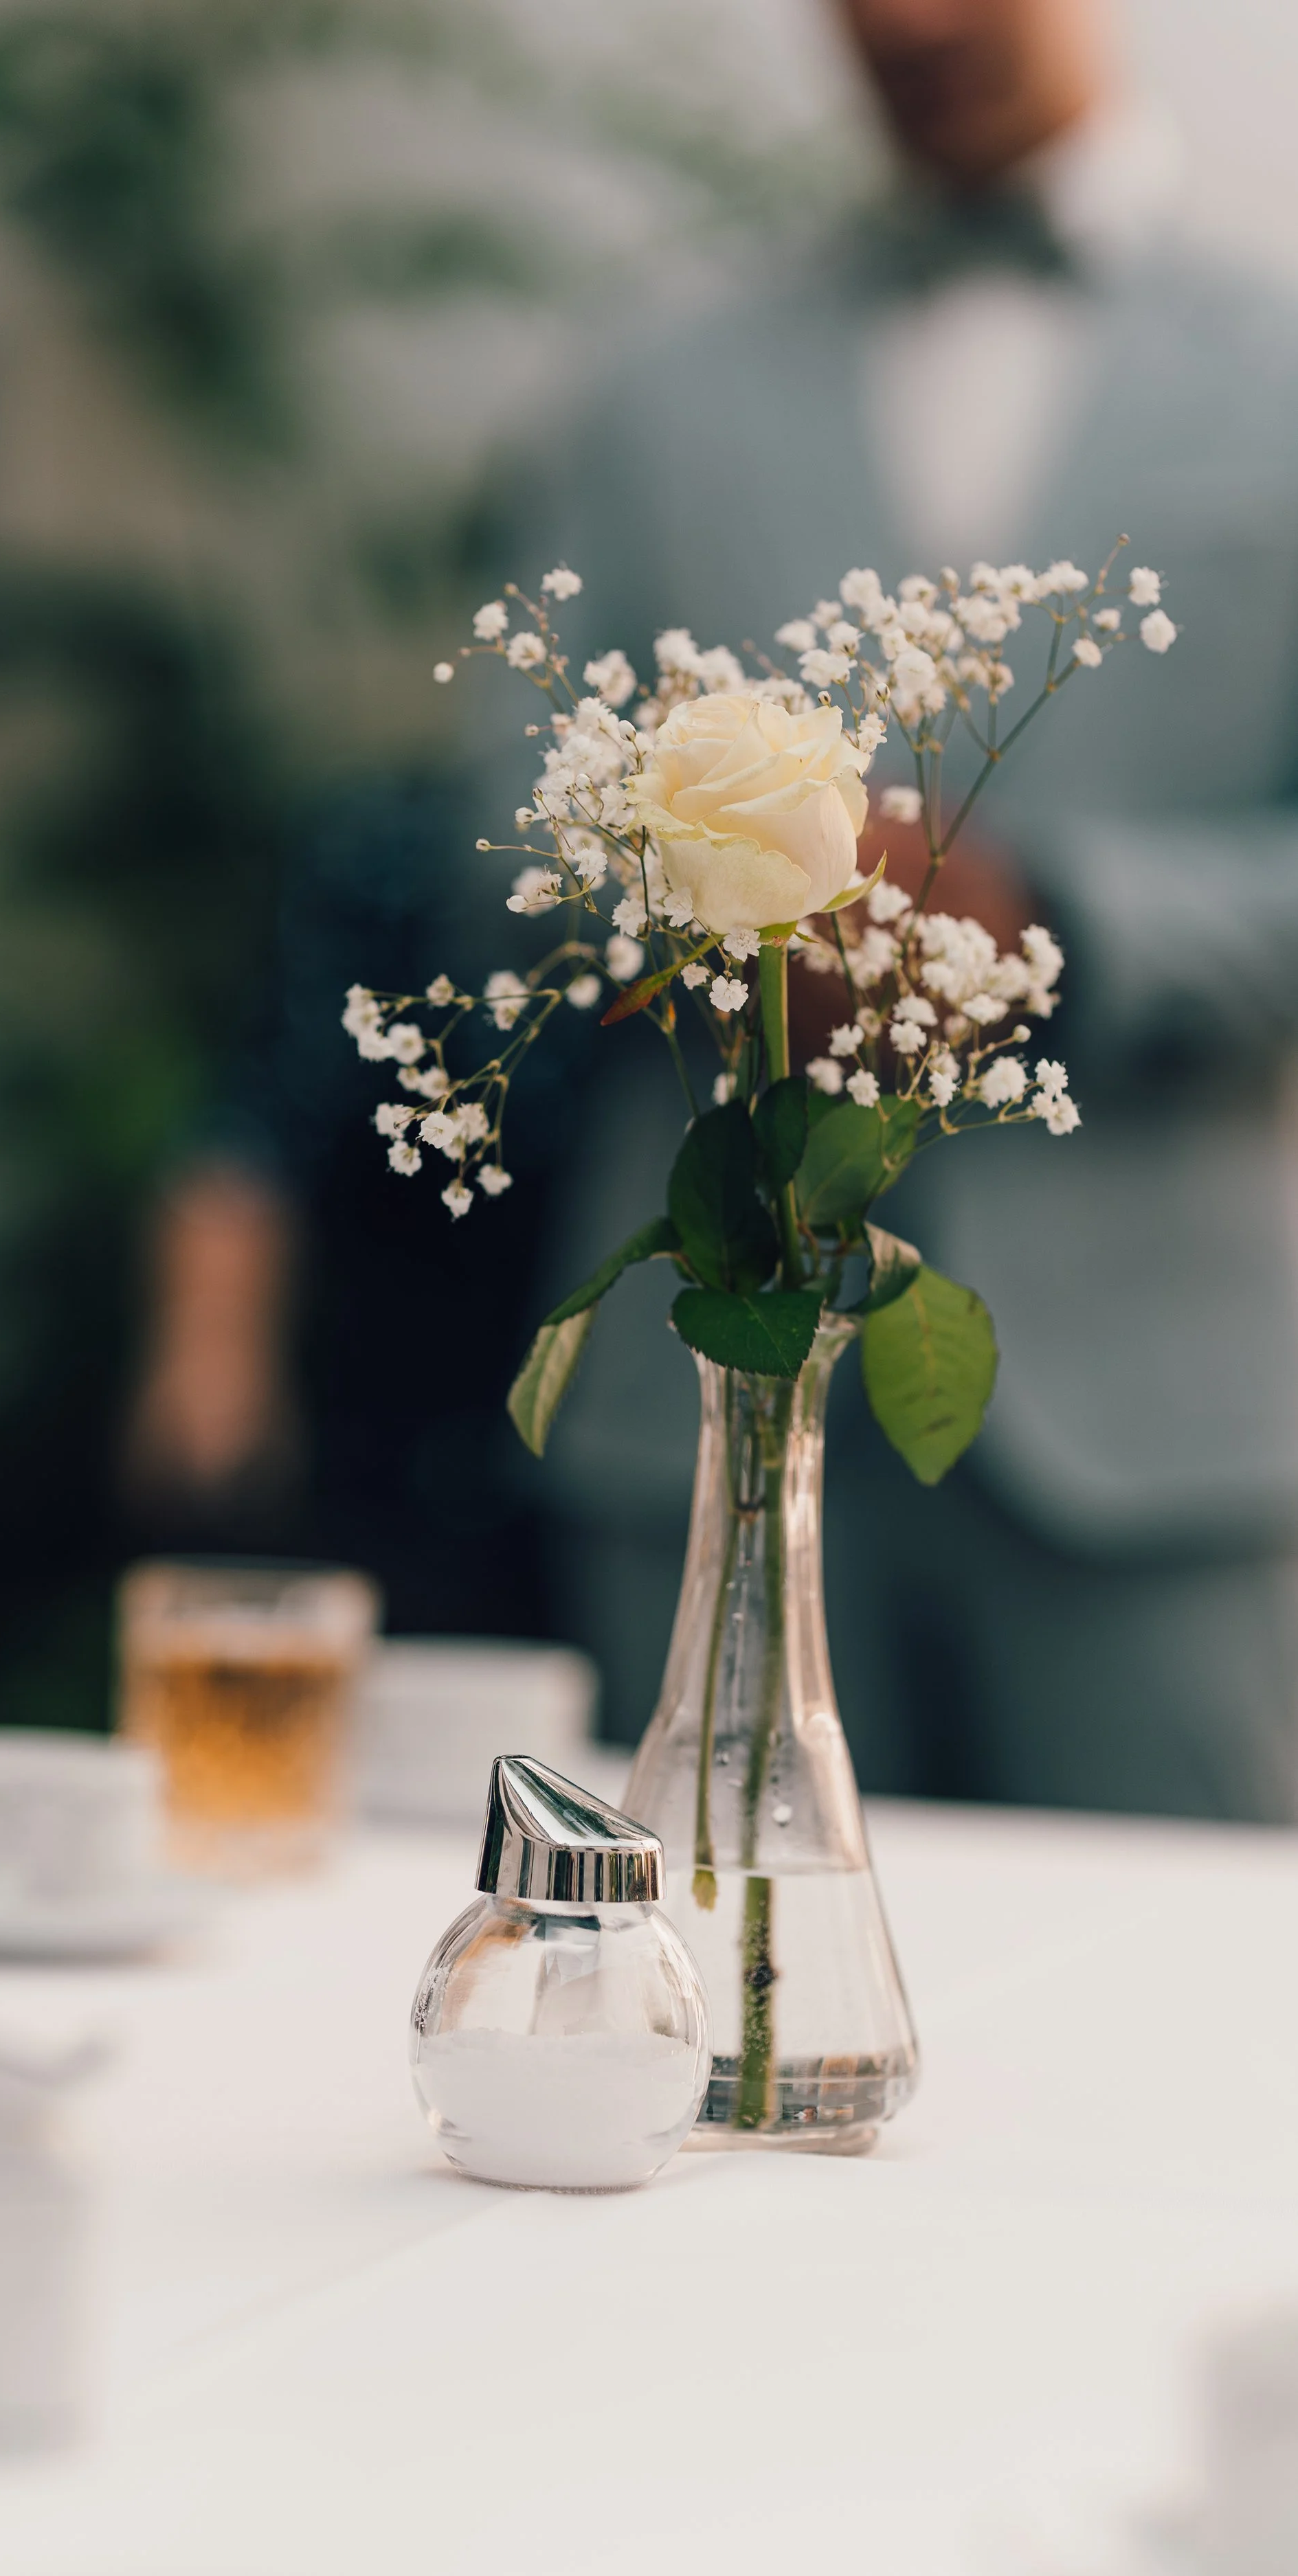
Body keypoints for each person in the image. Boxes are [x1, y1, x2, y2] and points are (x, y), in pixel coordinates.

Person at [528, 0, 1298, 1816]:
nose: (916, 20)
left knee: (1176, 2050)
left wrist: (1050, 921)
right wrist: (715, 922)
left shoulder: (1276, 371)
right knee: (706, 2021)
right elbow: (520, 796)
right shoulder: (652, 392)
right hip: (706, 1398)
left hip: (1159, 1430)